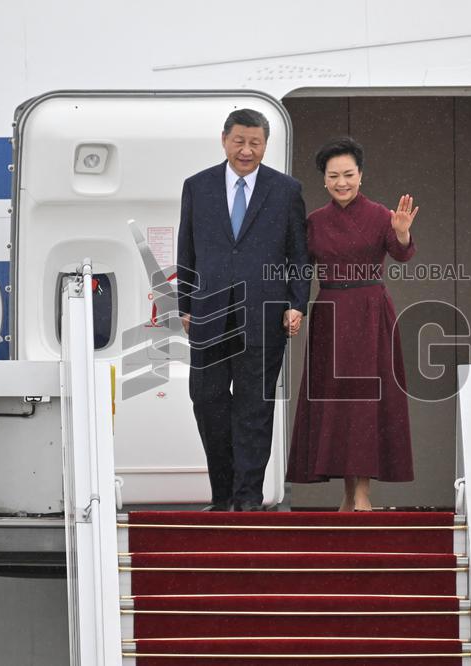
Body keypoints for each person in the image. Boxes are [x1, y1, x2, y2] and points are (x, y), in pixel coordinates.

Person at [177, 108, 310, 512]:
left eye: (256, 143)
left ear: (266, 144)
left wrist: (296, 303)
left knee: (256, 406)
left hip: (265, 313)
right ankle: (223, 496)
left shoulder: (285, 190)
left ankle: (248, 497)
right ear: (224, 140)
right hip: (209, 312)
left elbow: (298, 256)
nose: (247, 150)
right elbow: (187, 248)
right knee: (207, 400)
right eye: (239, 141)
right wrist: (185, 304)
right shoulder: (197, 187)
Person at [286, 137, 418, 511]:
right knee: (337, 404)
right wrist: (293, 306)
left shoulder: (380, 215)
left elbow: (401, 252)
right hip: (329, 313)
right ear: (324, 180)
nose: (341, 182)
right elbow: (297, 269)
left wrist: (403, 230)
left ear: (360, 175)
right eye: (333, 176)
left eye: (348, 174)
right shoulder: (314, 222)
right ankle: (348, 493)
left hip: (370, 313)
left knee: (366, 404)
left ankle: (363, 494)